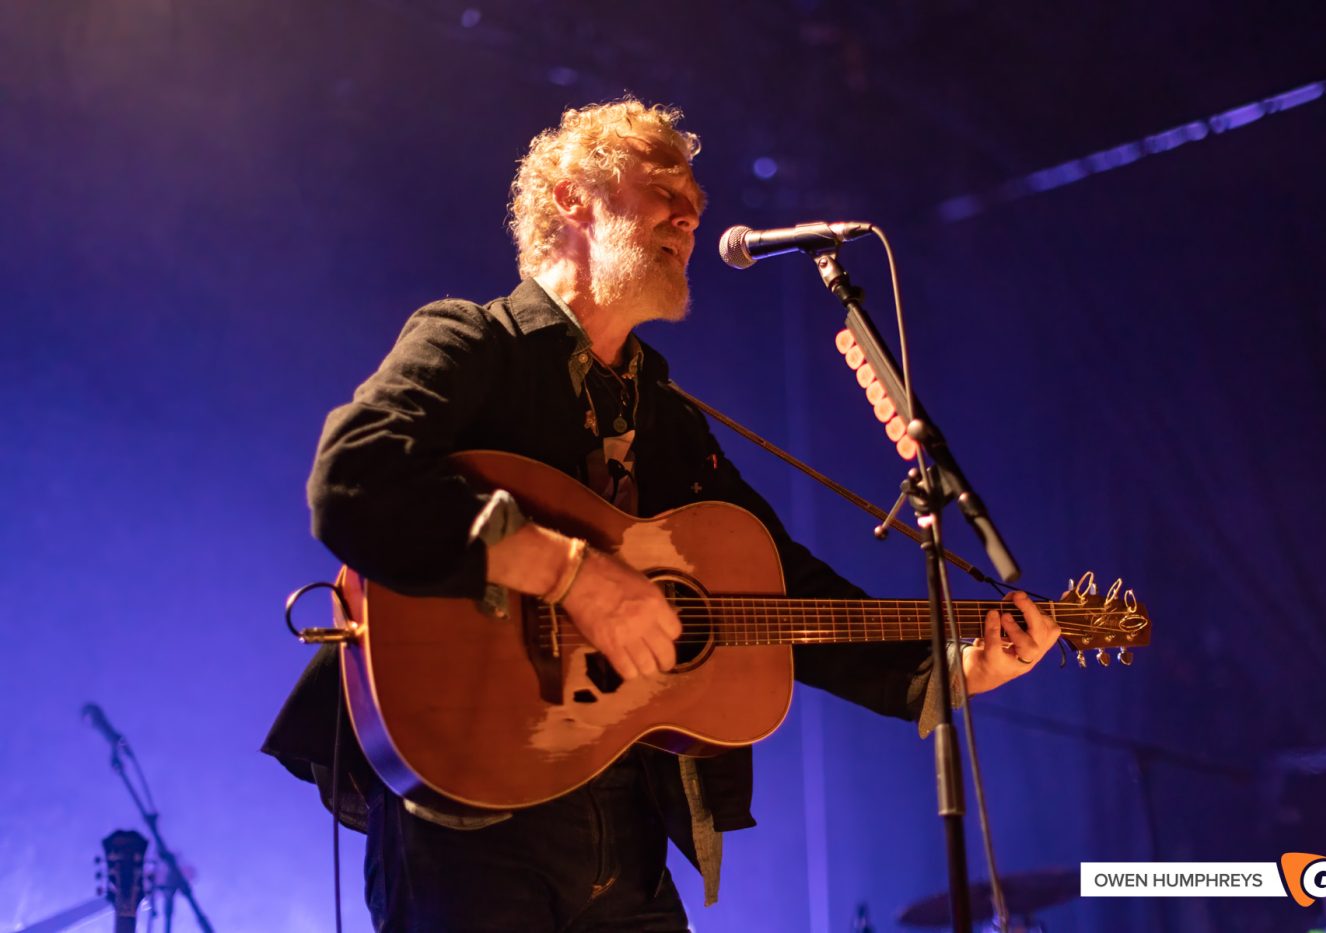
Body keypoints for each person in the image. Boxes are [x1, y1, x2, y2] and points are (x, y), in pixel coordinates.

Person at [263, 97, 1060, 932]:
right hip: (470, 816)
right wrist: (572, 575)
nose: (690, 215)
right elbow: (354, 474)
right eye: (663, 190)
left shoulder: (665, 413)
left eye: (695, 203)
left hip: (629, 824)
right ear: (573, 199)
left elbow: (778, 585)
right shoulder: (471, 342)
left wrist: (950, 668)